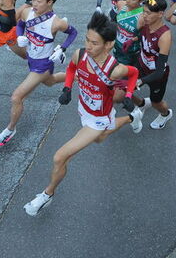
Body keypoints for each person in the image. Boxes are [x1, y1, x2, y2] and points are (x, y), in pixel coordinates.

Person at [23, 13, 143, 216]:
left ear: (108, 45)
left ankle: (47, 195)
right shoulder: (80, 54)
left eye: (94, 43)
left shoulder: (114, 69)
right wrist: (67, 89)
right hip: (84, 109)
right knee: (101, 139)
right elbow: (71, 69)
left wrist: (129, 95)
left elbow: (134, 74)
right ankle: (133, 117)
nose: (88, 45)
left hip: (98, 119)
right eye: (87, 39)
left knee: (60, 157)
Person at [0, 0, 78, 147]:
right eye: (33, 0)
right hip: (32, 60)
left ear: (50, 3)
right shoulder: (27, 12)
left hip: (43, 64)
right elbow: (20, 24)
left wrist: (62, 48)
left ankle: (10, 130)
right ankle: (78, 75)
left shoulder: (57, 23)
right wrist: (19, 36)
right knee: (50, 81)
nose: (35, 4)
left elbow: (73, 33)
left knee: (17, 97)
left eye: (39, 1)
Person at [129, 0, 174, 129]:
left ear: (160, 14)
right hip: (140, 64)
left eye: (148, 13)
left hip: (156, 74)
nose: (144, 15)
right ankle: (142, 104)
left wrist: (141, 81)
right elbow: (140, 36)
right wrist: (132, 40)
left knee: (156, 102)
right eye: (143, 11)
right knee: (123, 88)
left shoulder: (165, 36)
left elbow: (160, 71)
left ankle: (166, 114)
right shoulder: (145, 22)